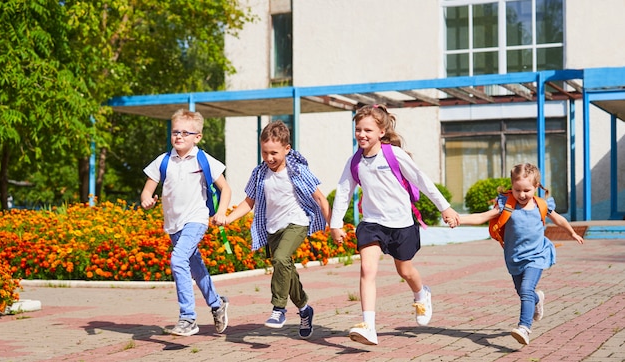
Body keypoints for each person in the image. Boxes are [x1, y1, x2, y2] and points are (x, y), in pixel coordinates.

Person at [330, 104, 460, 346]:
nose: (361, 134)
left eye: (367, 130)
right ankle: (368, 325)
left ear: (381, 132)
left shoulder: (394, 155)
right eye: (358, 129)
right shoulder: (355, 161)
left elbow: (422, 180)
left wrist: (445, 207)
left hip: (401, 224)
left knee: (405, 271)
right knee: (367, 270)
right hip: (372, 224)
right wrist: (335, 224)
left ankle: (422, 294)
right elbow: (343, 191)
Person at [217, 120, 331, 339]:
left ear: (287, 149)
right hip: (272, 228)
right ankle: (305, 308)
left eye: (274, 153)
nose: (269, 158)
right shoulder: (260, 173)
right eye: (265, 152)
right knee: (286, 268)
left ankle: (279, 309)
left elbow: (320, 198)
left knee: (280, 259)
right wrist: (228, 219)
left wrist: (333, 225)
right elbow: (249, 202)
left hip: (297, 222)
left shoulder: (297, 171)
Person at [459, 163, 584, 345]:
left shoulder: (541, 205)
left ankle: (524, 328)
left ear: (536, 187)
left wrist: (571, 232)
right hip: (514, 257)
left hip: (537, 255)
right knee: (523, 292)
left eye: (527, 190)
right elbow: (482, 216)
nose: (522, 195)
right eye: (517, 190)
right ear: (512, 186)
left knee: (525, 289)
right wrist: (459, 219)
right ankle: (537, 299)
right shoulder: (506, 204)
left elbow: (558, 218)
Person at [141, 109, 231, 337]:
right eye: (175, 132)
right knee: (196, 267)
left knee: (178, 259)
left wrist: (220, 213)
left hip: (196, 219)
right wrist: (146, 201)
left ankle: (188, 318)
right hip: (174, 224)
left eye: (185, 133)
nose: (179, 136)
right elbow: (147, 191)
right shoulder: (163, 161)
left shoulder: (203, 160)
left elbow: (226, 188)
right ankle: (217, 303)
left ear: (197, 137)